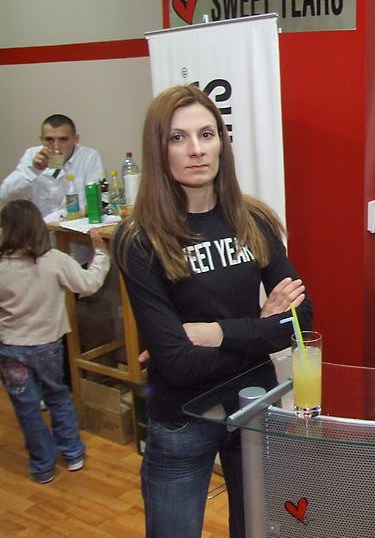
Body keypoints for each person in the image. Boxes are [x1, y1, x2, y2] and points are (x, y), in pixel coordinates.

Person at [112, 84, 312, 538]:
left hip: (254, 408)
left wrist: (213, 333)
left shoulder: (253, 219)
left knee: (257, 531)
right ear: (158, 149)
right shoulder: (140, 238)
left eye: (206, 134)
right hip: (182, 420)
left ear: (222, 141)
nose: (196, 149)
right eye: (178, 137)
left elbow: (302, 322)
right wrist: (261, 327)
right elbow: (178, 364)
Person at [0, 199, 110, 484]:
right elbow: (89, 283)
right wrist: (100, 252)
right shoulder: (54, 260)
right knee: (58, 396)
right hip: (48, 344)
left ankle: (42, 466)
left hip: (11, 347)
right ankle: (72, 454)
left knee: (27, 408)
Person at [0, 114, 104, 219]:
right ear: (41, 139)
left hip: (73, 224)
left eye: (63, 139)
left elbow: (93, 203)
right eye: (49, 139)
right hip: (37, 226)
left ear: (75, 139)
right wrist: (34, 170)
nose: (56, 146)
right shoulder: (32, 154)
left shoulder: (89, 156)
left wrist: (53, 219)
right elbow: (4, 194)